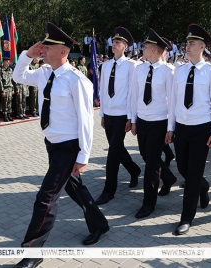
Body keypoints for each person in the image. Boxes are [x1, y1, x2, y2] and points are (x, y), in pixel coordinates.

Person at [12, 22, 109, 268]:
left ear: (63, 52)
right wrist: (27, 55)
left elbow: (86, 121)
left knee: (46, 197)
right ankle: (99, 223)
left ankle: (33, 251)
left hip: (69, 146)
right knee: (73, 187)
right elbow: (18, 76)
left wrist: (83, 156)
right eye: (42, 45)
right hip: (52, 142)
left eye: (48, 46)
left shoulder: (77, 80)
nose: (43, 49)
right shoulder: (45, 73)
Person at [165, 24, 211, 235]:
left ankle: (186, 217)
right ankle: (202, 187)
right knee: (182, 167)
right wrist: (170, 127)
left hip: (202, 128)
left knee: (194, 171)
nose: (186, 47)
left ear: (202, 47)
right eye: (186, 43)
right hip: (181, 126)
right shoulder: (179, 71)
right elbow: (173, 102)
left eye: (191, 44)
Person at [130, 28, 177, 219]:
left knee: (151, 164)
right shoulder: (139, 69)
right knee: (146, 155)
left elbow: (173, 101)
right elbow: (134, 96)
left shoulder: (168, 71)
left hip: (159, 121)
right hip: (142, 120)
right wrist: (133, 120)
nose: (143, 48)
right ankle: (169, 177)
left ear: (156, 50)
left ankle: (148, 203)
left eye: (147, 46)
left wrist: (171, 127)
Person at [95, 26, 142, 206]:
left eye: (117, 43)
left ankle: (109, 190)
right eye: (113, 42)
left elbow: (132, 93)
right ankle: (134, 169)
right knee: (118, 149)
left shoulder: (131, 66)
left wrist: (132, 117)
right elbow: (103, 91)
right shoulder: (105, 65)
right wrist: (102, 114)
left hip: (123, 114)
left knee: (113, 153)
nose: (113, 45)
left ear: (125, 47)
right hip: (109, 113)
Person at [0, 57, 14, 122]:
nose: (8, 63)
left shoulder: (10, 70)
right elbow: (0, 81)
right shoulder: (1, 70)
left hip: (10, 88)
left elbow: (12, 80)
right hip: (5, 88)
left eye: (9, 61)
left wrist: (13, 89)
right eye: (7, 61)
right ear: (4, 62)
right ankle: (5, 115)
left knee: (9, 102)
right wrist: (2, 90)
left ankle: (9, 115)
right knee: (5, 103)